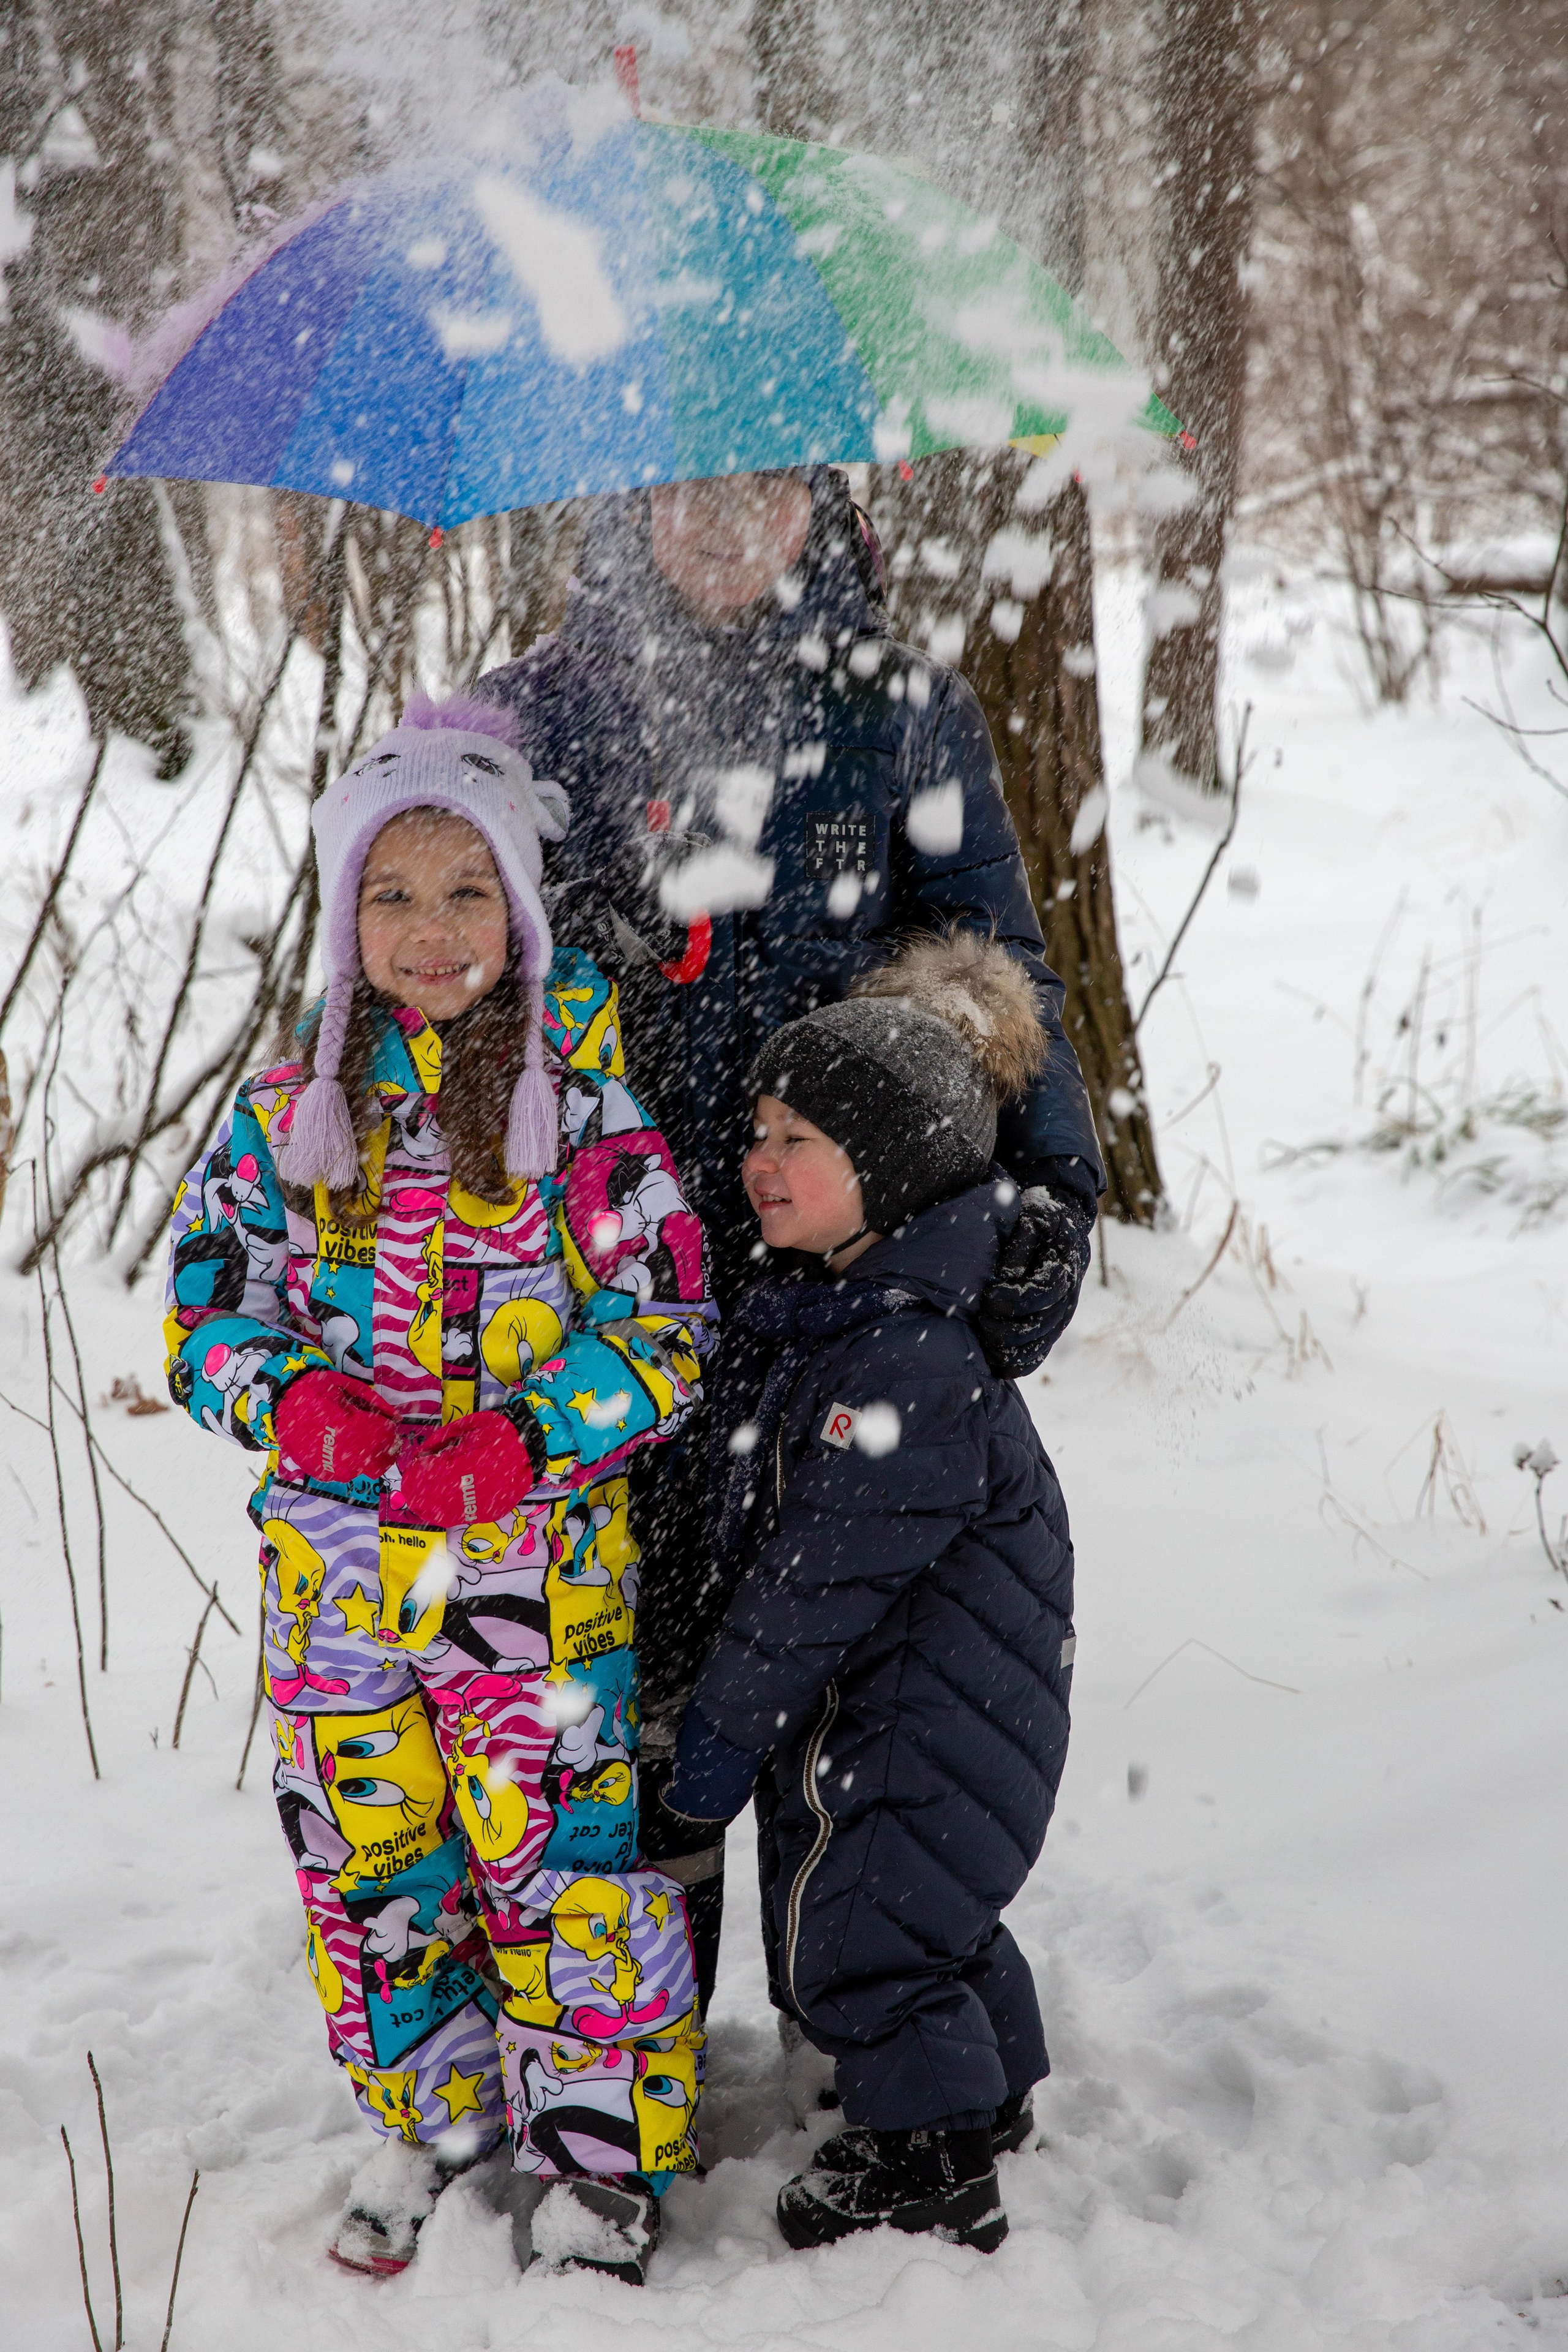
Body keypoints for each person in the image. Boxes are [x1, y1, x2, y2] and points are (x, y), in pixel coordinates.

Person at [475, 466, 1100, 1989]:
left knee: (832, 1649)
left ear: (820, 509)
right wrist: (568, 969)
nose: (720, 522)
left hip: (833, 1269)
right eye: (683, 488)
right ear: (621, 504)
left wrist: (1040, 1197)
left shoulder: (900, 710)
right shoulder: (530, 720)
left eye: (762, 490)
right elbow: (428, 954)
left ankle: (853, 1999)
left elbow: (991, 971)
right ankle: (631, 2031)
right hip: (613, 1283)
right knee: (629, 1657)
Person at [162, 694, 714, 2287]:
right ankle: (444, 2118)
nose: (428, 928)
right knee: (371, 1860)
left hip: (529, 1588)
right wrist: (293, 1396)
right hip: (336, 1589)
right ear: (345, 917)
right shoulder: (289, 1116)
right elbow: (206, 1305)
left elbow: (669, 1327)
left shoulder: (585, 1115)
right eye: (390, 893)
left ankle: (600, 2155)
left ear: (521, 912)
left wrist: (533, 1437)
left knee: (551, 1864)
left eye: (466, 890)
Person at [656, 930, 1077, 2254]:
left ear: (884, 1174)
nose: (754, 1165)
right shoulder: (861, 1308)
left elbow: (808, 1590)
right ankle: (989, 2089)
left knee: (859, 1934)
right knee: (928, 1904)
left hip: (908, 1709)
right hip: (934, 1701)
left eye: (795, 1143)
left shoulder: (899, 1357)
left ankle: (928, 2164)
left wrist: (714, 1747)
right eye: (758, 1132)